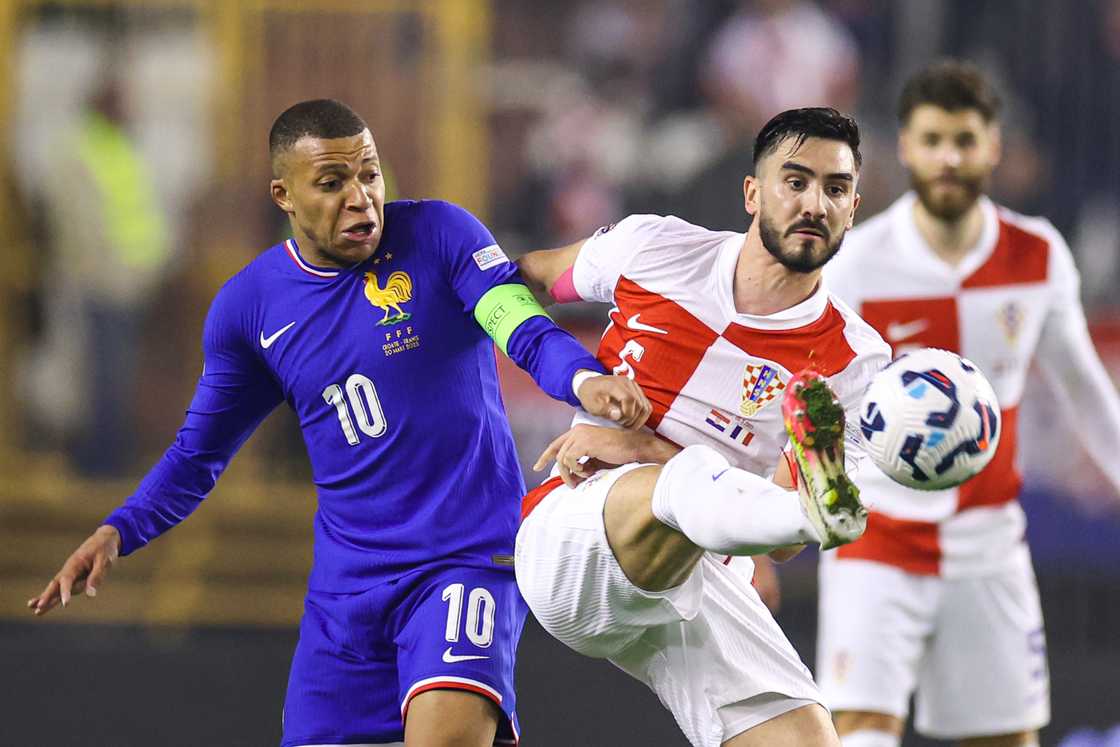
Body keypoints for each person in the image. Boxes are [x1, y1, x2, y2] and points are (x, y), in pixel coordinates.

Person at [27, 99, 650, 747]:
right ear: (284, 195)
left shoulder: (442, 236)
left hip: (461, 563)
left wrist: (584, 379)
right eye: (332, 183)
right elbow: (198, 455)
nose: (361, 199)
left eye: (370, 175)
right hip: (345, 596)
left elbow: (519, 326)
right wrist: (119, 528)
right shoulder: (249, 309)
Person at [513, 108, 891, 747]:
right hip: (576, 530)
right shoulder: (655, 249)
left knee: (811, 740)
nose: (814, 204)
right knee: (684, 481)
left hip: (704, 571)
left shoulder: (854, 360)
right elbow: (530, 278)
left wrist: (643, 442)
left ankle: (812, 510)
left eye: (835, 189)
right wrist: (579, 379)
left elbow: (778, 551)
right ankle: (816, 510)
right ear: (752, 193)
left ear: (853, 207)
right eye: (794, 182)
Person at [818, 61, 1120, 747]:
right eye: (932, 140)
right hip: (877, 541)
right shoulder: (857, 263)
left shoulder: (1036, 255)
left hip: (988, 544)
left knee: (1008, 738)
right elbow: (812, 401)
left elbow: (1087, 395)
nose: (948, 157)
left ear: (994, 147)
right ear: (905, 148)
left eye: (964, 139)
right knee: (861, 733)